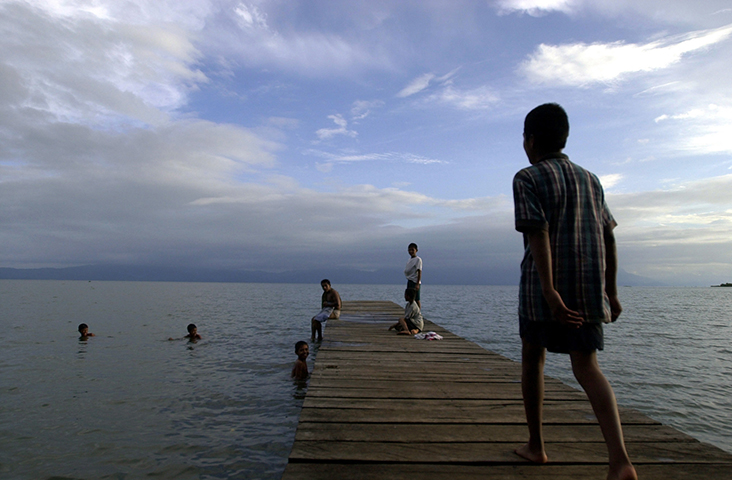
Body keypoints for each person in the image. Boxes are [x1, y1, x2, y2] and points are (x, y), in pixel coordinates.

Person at [512, 103, 636, 480]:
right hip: (587, 289)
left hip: (540, 292)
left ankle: (537, 447)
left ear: (530, 141)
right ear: (564, 138)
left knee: (533, 360)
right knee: (587, 368)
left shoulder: (527, 177)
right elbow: (608, 236)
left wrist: (549, 291)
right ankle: (620, 461)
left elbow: (538, 231)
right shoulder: (591, 179)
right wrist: (611, 292)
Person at [404, 243, 422, 308]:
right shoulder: (410, 260)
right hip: (410, 280)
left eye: (412, 250)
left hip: (415, 281)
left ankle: (418, 314)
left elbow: (419, 271)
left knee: (416, 299)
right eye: (409, 250)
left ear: (416, 250)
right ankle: (411, 312)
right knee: (410, 298)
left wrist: (417, 284)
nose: (411, 251)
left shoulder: (418, 259)